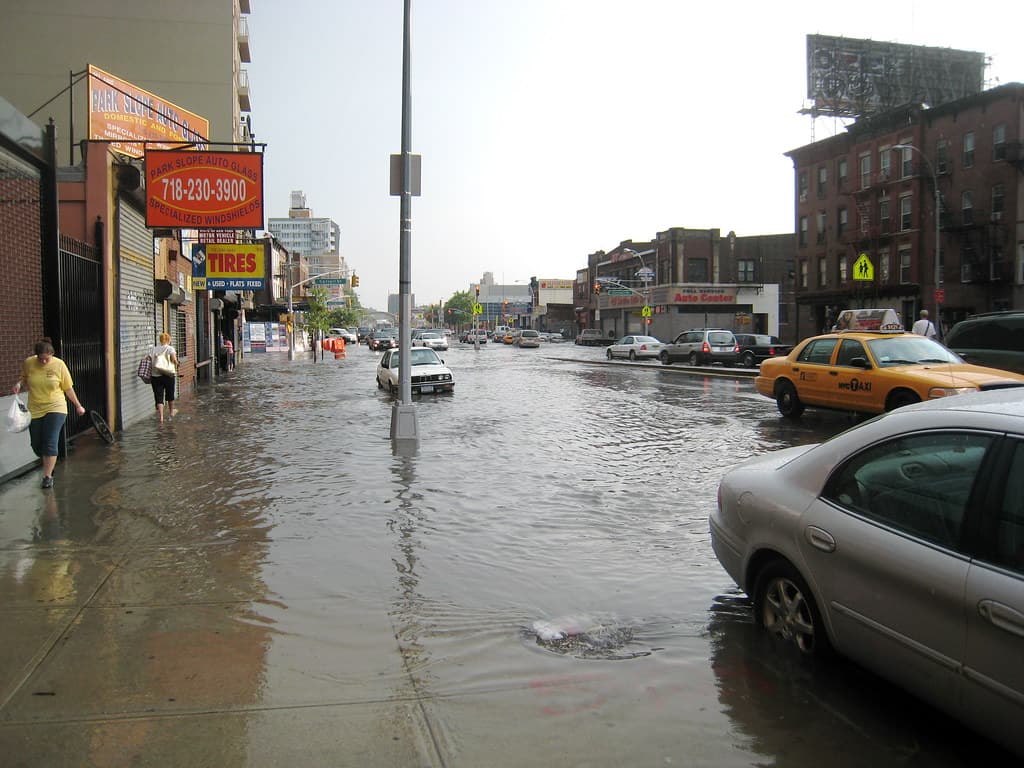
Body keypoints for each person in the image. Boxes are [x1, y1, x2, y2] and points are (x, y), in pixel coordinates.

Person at [11, 337, 86, 489]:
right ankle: (49, 463)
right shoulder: (29, 363)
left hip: (56, 407)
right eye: (41, 359)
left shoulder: (59, 365)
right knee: (37, 445)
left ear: (52, 354)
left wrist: (78, 405)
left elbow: (68, 388)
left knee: (50, 440)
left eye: (47, 359)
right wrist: (19, 384)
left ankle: (47, 477)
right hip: (35, 408)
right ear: (36, 356)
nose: (44, 362)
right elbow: (24, 377)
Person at [148, 331, 179, 422]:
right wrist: (177, 363)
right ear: (168, 340)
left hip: (155, 376)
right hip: (168, 375)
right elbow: (173, 359)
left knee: (159, 396)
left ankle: (161, 417)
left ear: (160, 340)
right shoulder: (170, 348)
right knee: (170, 394)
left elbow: (149, 359)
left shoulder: (154, 349)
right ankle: (171, 412)